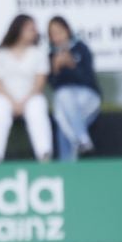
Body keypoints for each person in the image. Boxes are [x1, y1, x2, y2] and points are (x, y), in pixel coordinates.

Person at [0, 14, 52, 163]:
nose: (34, 32)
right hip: (6, 96)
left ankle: (44, 154)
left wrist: (24, 102)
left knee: (37, 109)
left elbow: (40, 82)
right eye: (30, 29)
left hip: (31, 95)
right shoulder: (1, 54)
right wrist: (13, 102)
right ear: (19, 30)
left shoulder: (38, 54)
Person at [46, 16, 100, 162]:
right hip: (67, 102)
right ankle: (81, 143)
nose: (58, 36)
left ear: (67, 30)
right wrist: (56, 69)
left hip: (87, 97)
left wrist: (72, 65)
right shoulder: (51, 55)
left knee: (63, 110)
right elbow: (53, 85)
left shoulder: (81, 48)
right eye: (53, 34)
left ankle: (72, 155)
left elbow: (88, 79)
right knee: (63, 114)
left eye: (60, 32)